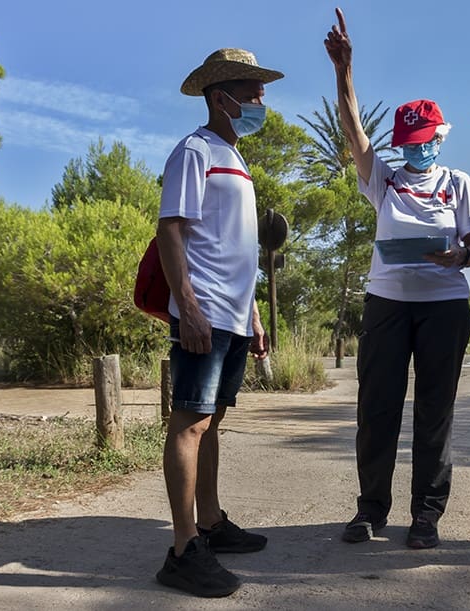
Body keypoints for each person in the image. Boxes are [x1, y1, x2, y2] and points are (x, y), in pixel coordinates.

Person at [324, 9, 470, 550]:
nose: (418, 147)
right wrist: (344, 70)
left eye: (425, 138)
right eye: (409, 140)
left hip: (444, 305)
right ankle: (371, 511)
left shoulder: (459, 182)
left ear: (440, 135)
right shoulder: (383, 177)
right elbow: (352, 128)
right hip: (386, 303)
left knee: (434, 412)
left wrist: (458, 255)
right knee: (377, 408)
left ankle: (426, 515)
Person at [153, 48, 281, 598]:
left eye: (260, 88)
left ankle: (210, 521)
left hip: (232, 314)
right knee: (190, 422)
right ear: (218, 96)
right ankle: (183, 551)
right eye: (250, 88)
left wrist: (251, 313)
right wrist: (190, 304)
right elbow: (171, 230)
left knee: (213, 422)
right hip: (203, 311)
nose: (260, 98)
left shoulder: (236, 155)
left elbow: (238, 248)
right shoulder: (195, 150)